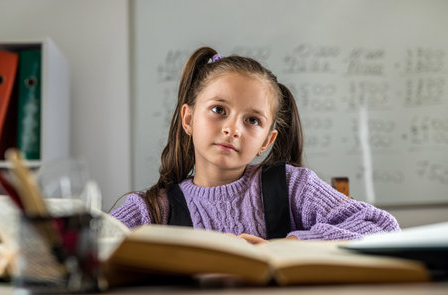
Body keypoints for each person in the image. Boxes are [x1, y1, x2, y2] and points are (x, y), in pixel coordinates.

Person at [110, 46, 400, 244]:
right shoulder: (153, 209)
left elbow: (384, 227)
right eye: (219, 110)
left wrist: (294, 244)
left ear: (266, 142)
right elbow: (91, 246)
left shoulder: (293, 186)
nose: (232, 129)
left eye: (252, 120)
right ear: (188, 119)